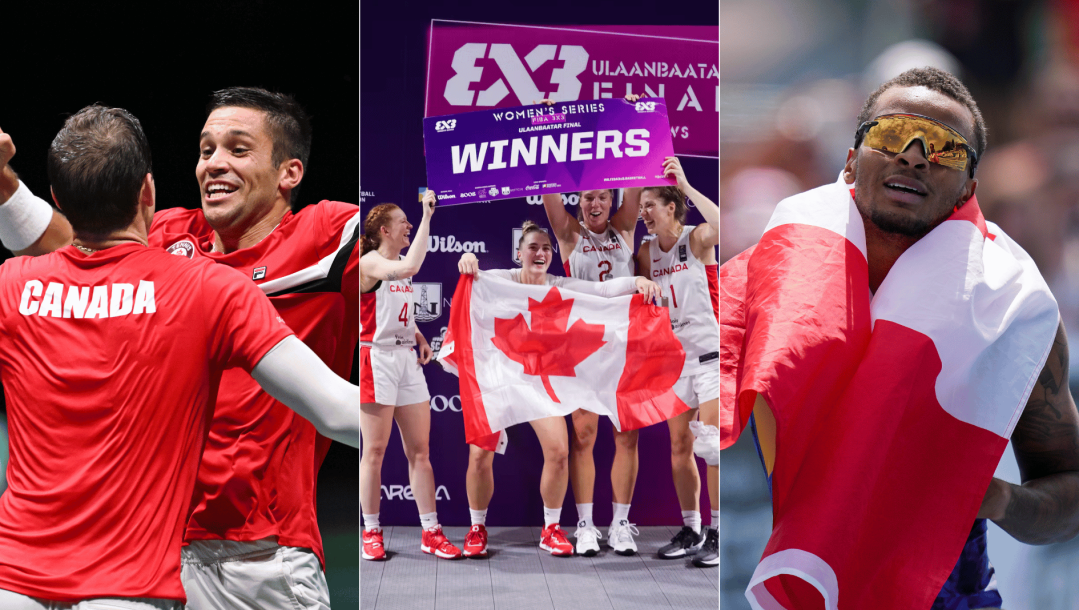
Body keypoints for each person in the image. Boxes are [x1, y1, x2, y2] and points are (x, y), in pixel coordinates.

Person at [0, 87, 359, 609]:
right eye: (206, 148)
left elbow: (397, 235)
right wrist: (6, 187)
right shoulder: (168, 238)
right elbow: (79, 247)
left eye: (238, 149)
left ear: (290, 173)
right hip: (151, 558)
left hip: (258, 559)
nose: (214, 163)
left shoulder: (326, 233)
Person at [733, 67, 1079, 607]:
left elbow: (1070, 492)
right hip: (771, 579)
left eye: (944, 148)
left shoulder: (1011, 307)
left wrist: (995, 499)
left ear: (969, 186)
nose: (914, 155)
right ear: (851, 160)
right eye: (892, 134)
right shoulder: (766, 280)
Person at [456, 222, 661, 558]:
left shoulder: (559, 285)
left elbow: (602, 292)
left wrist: (636, 281)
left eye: (546, 249)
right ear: (519, 253)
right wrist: (466, 258)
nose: (540, 253)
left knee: (559, 452)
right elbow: (472, 277)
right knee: (479, 454)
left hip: (539, 382)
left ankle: (550, 528)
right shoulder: (499, 281)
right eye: (533, 247)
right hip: (500, 378)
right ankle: (477, 528)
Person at [360, 191, 463, 561]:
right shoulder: (369, 264)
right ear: (385, 230)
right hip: (376, 359)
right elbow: (408, 271)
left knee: (420, 453)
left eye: (411, 220)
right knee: (373, 451)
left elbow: (401, 305)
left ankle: (431, 532)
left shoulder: (400, 262)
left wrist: (418, 335)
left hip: (406, 360)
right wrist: (427, 216)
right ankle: (371, 531)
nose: (408, 226)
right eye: (403, 221)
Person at [635, 158, 720, 567]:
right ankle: (693, 529)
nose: (643, 213)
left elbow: (722, 226)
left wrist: (685, 185)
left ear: (671, 206)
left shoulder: (698, 239)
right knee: (681, 446)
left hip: (711, 358)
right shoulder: (646, 252)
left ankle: (719, 535)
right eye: (641, 206)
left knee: (713, 447)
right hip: (676, 362)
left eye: (650, 204)